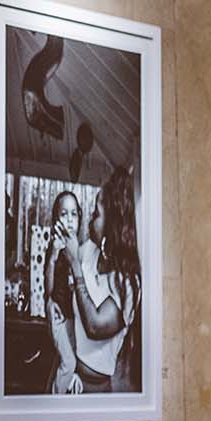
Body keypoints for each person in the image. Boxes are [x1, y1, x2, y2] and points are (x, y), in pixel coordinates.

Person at [49, 165, 141, 393]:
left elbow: (95, 326)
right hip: (67, 373)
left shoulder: (128, 283)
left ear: (114, 222)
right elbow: (59, 286)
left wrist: (75, 267)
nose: (90, 218)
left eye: (97, 214)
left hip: (94, 388)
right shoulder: (89, 251)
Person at [45, 191, 83, 394]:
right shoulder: (55, 248)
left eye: (74, 214)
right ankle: (54, 402)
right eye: (64, 214)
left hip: (74, 319)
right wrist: (53, 256)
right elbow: (49, 291)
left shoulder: (81, 250)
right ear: (56, 219)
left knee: (71, 361)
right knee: (68, 362)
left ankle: (66, 382)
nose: (69, 220)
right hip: (58, 315)